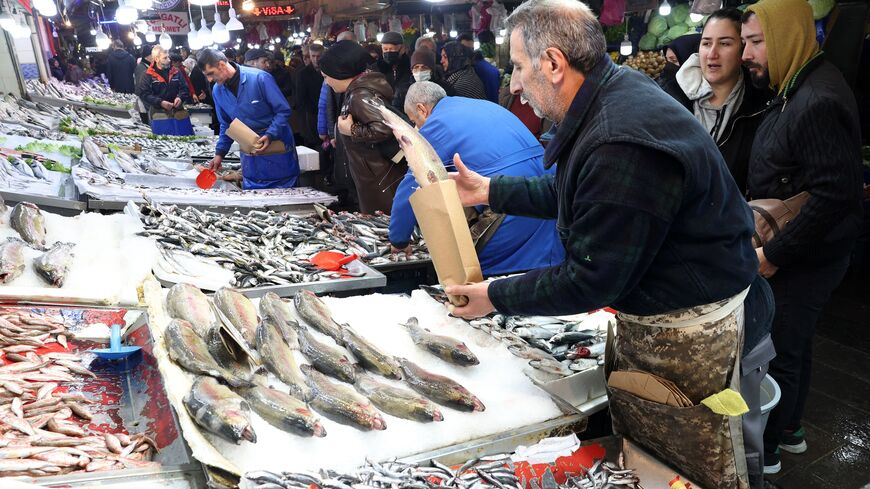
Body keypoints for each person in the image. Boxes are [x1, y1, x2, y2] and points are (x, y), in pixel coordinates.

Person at [446, 2, 773, 488]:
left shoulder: (621, 137)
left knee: (699, 469)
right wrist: (490, 190)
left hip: (696, 331)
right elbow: (573, 191)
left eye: (517, 67)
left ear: (553, 64)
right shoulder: (610, 92)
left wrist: (493, 297)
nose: (514, 86)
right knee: (650, 461)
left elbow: (589, 279)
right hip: (664, 315)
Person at [739, 0, 864, 475]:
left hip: (807, 254)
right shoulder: (795, 84)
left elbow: (837, 194)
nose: (748, 54)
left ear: (787, 35)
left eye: (756, 42)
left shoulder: (818, 99)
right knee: (797, 342)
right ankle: (789, 432)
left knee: (781, 349)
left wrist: (774, 253)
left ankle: (766, 456)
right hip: (806, 252)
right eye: (746, 41)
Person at [392, 82, 564, 274]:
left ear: (421, 109)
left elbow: (413, 182)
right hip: (548, 189)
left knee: (487, 277)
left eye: (414, 120)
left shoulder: (436, 123)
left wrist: (399, 239)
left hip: (508, 194)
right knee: (545, 272)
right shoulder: (482, 105)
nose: (418, 127)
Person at [662, 9, 771, 194]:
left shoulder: (763, 106)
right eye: (706, 43)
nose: (712, 53)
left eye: (725, 43)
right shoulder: (668, 99)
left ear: (742, 50)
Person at [319, 40, 408, 213]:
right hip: (375, 173)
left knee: (381, 224)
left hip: (377, 175)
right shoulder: (357, 91)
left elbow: (382, 128)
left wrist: (351, 130)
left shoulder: (359, 95)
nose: (327, 82)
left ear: (340, 71)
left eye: (326, 77)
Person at [198, 49, 300, 189]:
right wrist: (219, 154)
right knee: (254, 194)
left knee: (284, 193)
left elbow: (283, 111)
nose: (209, 79)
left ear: (221, 64)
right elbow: (226, 125)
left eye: (210, 74)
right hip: (249, 153)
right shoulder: (217, 90)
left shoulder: (260, 78)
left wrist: (271, 134)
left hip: (277, 147)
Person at [136, 46, 194, 136]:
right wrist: (160, 102)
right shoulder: (148, 75)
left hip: (178, 111)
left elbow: (185, 88)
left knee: (185, 138)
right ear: (156, 59)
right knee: (163, 140)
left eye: (168, 57)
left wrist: (180, 97)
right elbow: (144, 94)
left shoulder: (176, 72)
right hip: (159, 113)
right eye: (165, 58)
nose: (169, 60)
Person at [296, 43, 325, 148]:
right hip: (312, 117)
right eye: (313, 56)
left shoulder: (329, 71)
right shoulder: (303, 74)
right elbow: (301, 99)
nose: (316, 59)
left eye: (318, 56)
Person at [379, 31, 413, 115]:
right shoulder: (377, 69)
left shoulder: (410, 67)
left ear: (402, 49)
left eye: (391, 49)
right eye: (385, 49)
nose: (388, 52)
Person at [134, 44, 153, 124]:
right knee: (147, 126)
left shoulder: (147, 66)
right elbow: (140, 88)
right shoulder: (141, 68)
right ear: (148, 56)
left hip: (148, 102)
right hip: (144, 104)